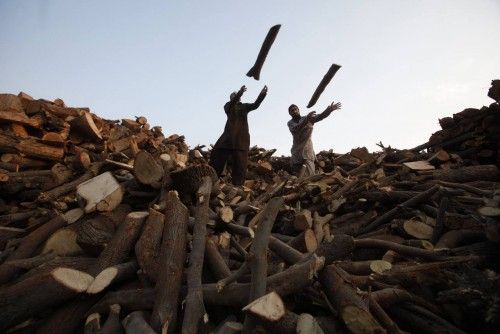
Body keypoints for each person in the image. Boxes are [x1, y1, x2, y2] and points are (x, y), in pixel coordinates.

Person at [210, 85, 268, 185]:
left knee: (240, 165)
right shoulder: (228, 106)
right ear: (231, 98)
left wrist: (262, 94)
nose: (235, 96)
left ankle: (237, 186)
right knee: (217, 155)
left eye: (236, 95)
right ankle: (212, 181)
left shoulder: (244, 106)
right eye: (233, 95)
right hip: (228, 138)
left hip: (241, 139)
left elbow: (255, 105)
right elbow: (232, 103)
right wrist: (239, 93)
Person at [287, 101, 341, 176]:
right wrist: (307, 120)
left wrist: (329, 110)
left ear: (299, 110)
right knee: (296, 176)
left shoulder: (308, 118)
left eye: (295, 109)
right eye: (292, 111)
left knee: (309, 175)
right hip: (296, 153)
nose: (294, 111)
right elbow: (296, 128)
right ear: (290, 113)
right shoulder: (290, 123)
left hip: (307, 151)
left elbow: (320, 116)